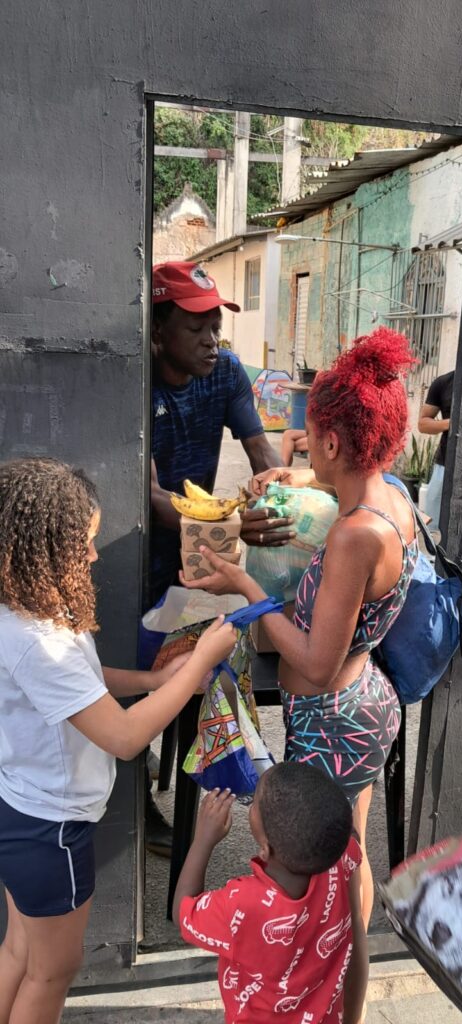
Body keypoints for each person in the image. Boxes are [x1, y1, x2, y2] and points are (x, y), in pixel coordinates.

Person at [179, 326, 419, 937]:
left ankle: (323, 987)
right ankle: (348, 999)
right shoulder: (393, 497)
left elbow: (313, 664)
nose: (301, 443)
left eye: (309, 437)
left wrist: (245, 586)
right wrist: (295, 476)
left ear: (332, 441)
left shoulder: (354, 536)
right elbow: (348, 484)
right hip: (361, 702)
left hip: (332, 718)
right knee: (350, 858)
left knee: (320, 882)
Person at [0, 458, 235, 1024]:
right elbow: (126, 737)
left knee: (21, 950)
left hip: (22, 809)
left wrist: (156, 681)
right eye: (82, 544)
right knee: (53, 971)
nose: (94, 555)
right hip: (51, 829)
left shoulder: (24, 610)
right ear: (41, 550)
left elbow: (85, 684)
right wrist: (201, 656)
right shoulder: (37, 641)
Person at [147, 260, 294, 854]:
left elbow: (261, 451)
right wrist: (230, 527)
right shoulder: (138, 381)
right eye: (195, 327)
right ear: (158, 333)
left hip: (196, 548)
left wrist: (280, 501)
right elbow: (148, 493)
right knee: (138, 674)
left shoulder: (226, 372)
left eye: (216, 325)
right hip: (142, 542)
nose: (212, 340)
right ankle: (134, 790)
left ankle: (174, 770)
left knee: (187, 665)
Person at [173, 762, 367, 1024]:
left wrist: (203, 839)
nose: (251, 806)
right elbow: (355, 934)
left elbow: (183, 914)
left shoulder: (243, 903)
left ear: (265, 848)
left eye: (254, 803)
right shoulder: (344, 856)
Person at [418, 369, 454, 532]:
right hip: (445, 464)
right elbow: (423, 424)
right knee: (434, 529)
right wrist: (452, 422)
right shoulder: (443, 382)